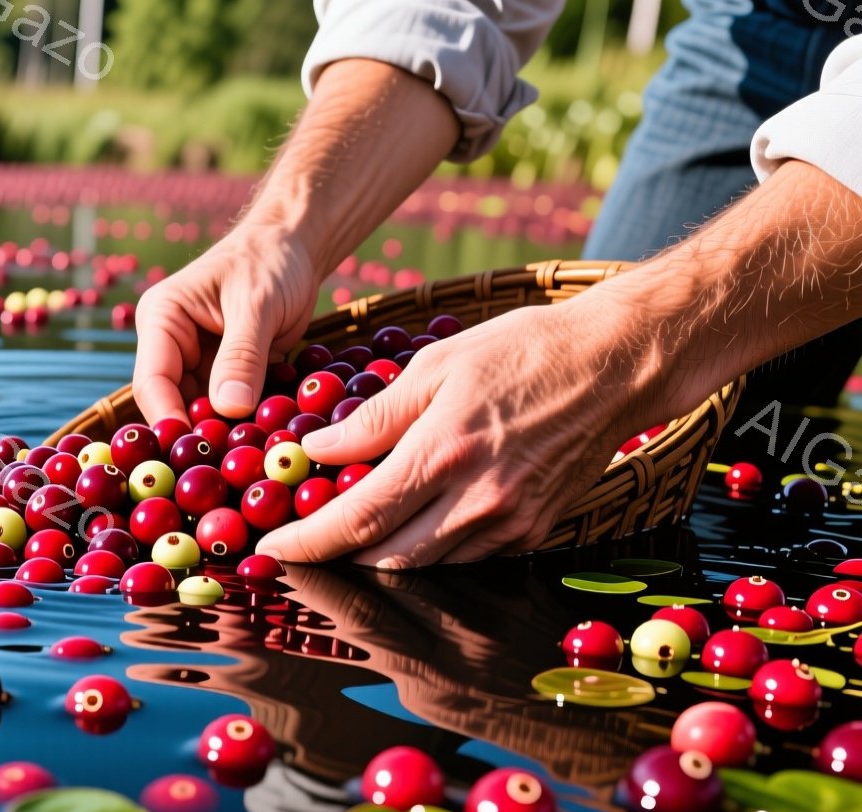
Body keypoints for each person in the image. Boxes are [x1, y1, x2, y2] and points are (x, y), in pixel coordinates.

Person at [131, 0, 862, 569]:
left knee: (643, 384)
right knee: (577, 464)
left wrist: (630, 346)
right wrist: (282, 230)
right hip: (751, 25)